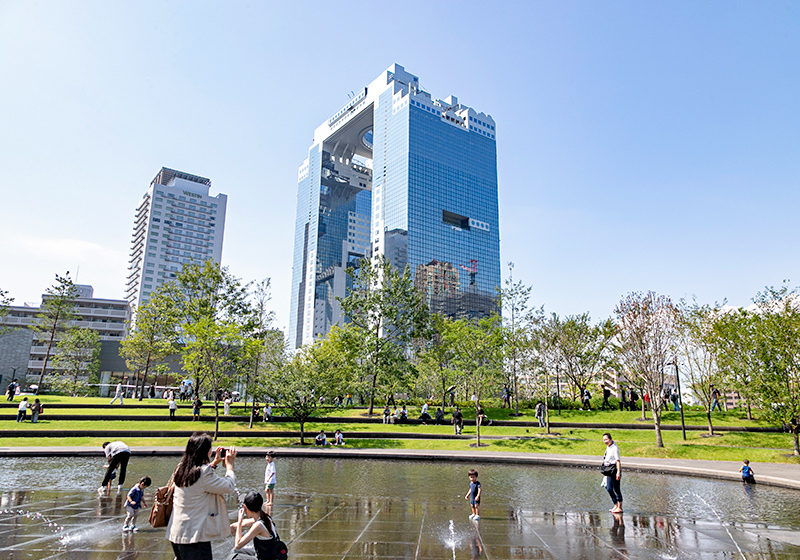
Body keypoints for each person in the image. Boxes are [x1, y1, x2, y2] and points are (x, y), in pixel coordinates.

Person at [166, 433, 237, 560]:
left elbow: (199, 481)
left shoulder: (181, 468)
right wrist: (230, 466)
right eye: (210, 448)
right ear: (205, 451)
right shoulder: (204, 473)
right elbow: (228, 486)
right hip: (195, 536)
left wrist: (213, 463)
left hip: (177, 532)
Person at [232, 491, 282, 560]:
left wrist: (239, 520)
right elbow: (246, 522)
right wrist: (232, 525)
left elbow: (237, 545)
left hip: (266, 558)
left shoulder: (258, 526)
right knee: (238, 551)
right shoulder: (265, 517)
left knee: (234, 556)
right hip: (272, 555)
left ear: (245, 507)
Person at [602, 433, 623, 513]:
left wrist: (618, 472)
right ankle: (616, 504)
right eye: (604, 440)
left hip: (614, 469)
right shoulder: (608, 447)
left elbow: (618, 461)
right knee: (609, 488)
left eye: (606, 439)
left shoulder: (615, 448)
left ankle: (619, 507)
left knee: (616, 488)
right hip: (608, 470)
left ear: (610, 439)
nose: (605, 441)